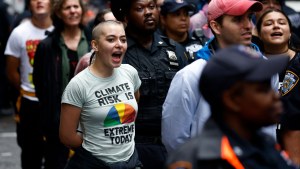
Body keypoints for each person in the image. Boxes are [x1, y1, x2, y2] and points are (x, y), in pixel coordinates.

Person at [161, 0, 280, 154]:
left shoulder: (266, 69)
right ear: (216, 27)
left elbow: (268, 128)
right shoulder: (191, 75)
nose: (248, 25)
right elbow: (175, 139)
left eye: (250, 17)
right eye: (237, 19)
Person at [166, 45, 296, 169]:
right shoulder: (198, 159)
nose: (276, 97)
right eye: (262, 90)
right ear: (233, 100)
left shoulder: (265, 144)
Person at [110, 0, 188, 168]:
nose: (148, 12)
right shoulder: (116, 54)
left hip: (173, 146)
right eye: (139, 8)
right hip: (133, 147)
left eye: (152, 7)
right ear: (126, 16)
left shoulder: (174, 50)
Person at [60, 20, 142, 169]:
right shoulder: (79, 84)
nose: (119, 44)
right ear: (95, 45)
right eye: (111, 39)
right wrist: (96, 148)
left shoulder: (130, 72)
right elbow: (67, 136)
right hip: (94, 163)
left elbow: (135, 102)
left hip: (131, 161)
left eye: (123, 39)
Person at [32, 0, 89, 168]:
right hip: (58, 121)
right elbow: (40, 85)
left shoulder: (94, 41)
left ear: (82, 10)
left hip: (91, 119)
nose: (73, 11)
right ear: (58, 12)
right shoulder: (46, 46)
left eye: (76, 6)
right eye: (67, 7)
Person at [4, 0, 53, 168]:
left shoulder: (59, 31)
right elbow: (11, 70)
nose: (40, 1)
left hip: (56, 103)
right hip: (29, 102)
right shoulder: (19, 33)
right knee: (30, 154)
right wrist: (26, 91)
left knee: (56, 156)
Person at [256, 9, 300, 166]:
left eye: (281, 23)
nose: (276, 26)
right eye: (269, 23)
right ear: (259, 34)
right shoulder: (251, 67)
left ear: (289, 32)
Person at [74, 8, 116, 75]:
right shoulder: (86, 61)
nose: (116, 27)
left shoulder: (128, 52)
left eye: (118, 23)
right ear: (96, 29)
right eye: (110, 24)